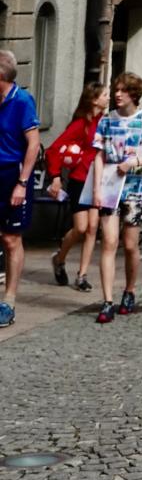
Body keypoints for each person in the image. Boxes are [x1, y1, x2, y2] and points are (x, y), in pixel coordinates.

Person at [90, 71, 142, 323]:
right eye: (116, 90)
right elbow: (99, 155)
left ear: (134, 94)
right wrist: (96, 189)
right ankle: (107, 301)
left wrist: (136, 162)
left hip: (135, 190)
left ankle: (130, 290)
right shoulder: (106, 120)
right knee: (109, 242)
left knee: (130, 245)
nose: (117, 94)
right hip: (110, 189)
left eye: (123, 90)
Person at [45, 82, 109, 291]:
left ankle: (82, 276)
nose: (108, 98)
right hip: (80, 179)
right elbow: (53, 150)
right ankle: (59, 258)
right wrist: (55, 176)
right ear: (94, 100)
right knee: (81, 227)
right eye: (105, 95)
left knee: (92, 228)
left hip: (98, 180)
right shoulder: (81, 124)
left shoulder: (105, 121)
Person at [0, 50, 40, 328]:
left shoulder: (22, 101)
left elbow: (33, 145)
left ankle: (8, 302)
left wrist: (22, 183)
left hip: (12, 175)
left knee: (11, 239)